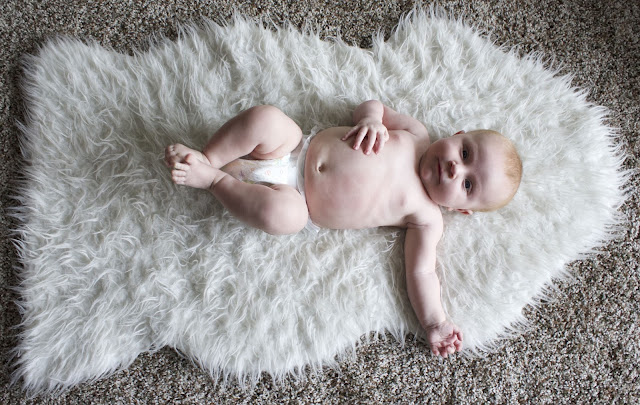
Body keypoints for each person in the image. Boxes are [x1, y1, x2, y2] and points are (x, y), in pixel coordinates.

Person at [164, 100, 523, 358]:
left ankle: (213, 180)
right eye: (465, 153)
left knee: (282, 217)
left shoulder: (427, 218)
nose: (456, 168)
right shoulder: (416, 134)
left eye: (468, 184)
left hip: (299, 200)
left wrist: (436, 322)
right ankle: (206, 158)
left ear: (460, 209)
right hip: (296, 147)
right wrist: (371, 119)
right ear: (458, 135)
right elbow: (373, 105)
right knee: (266, 118)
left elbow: (422, 272)